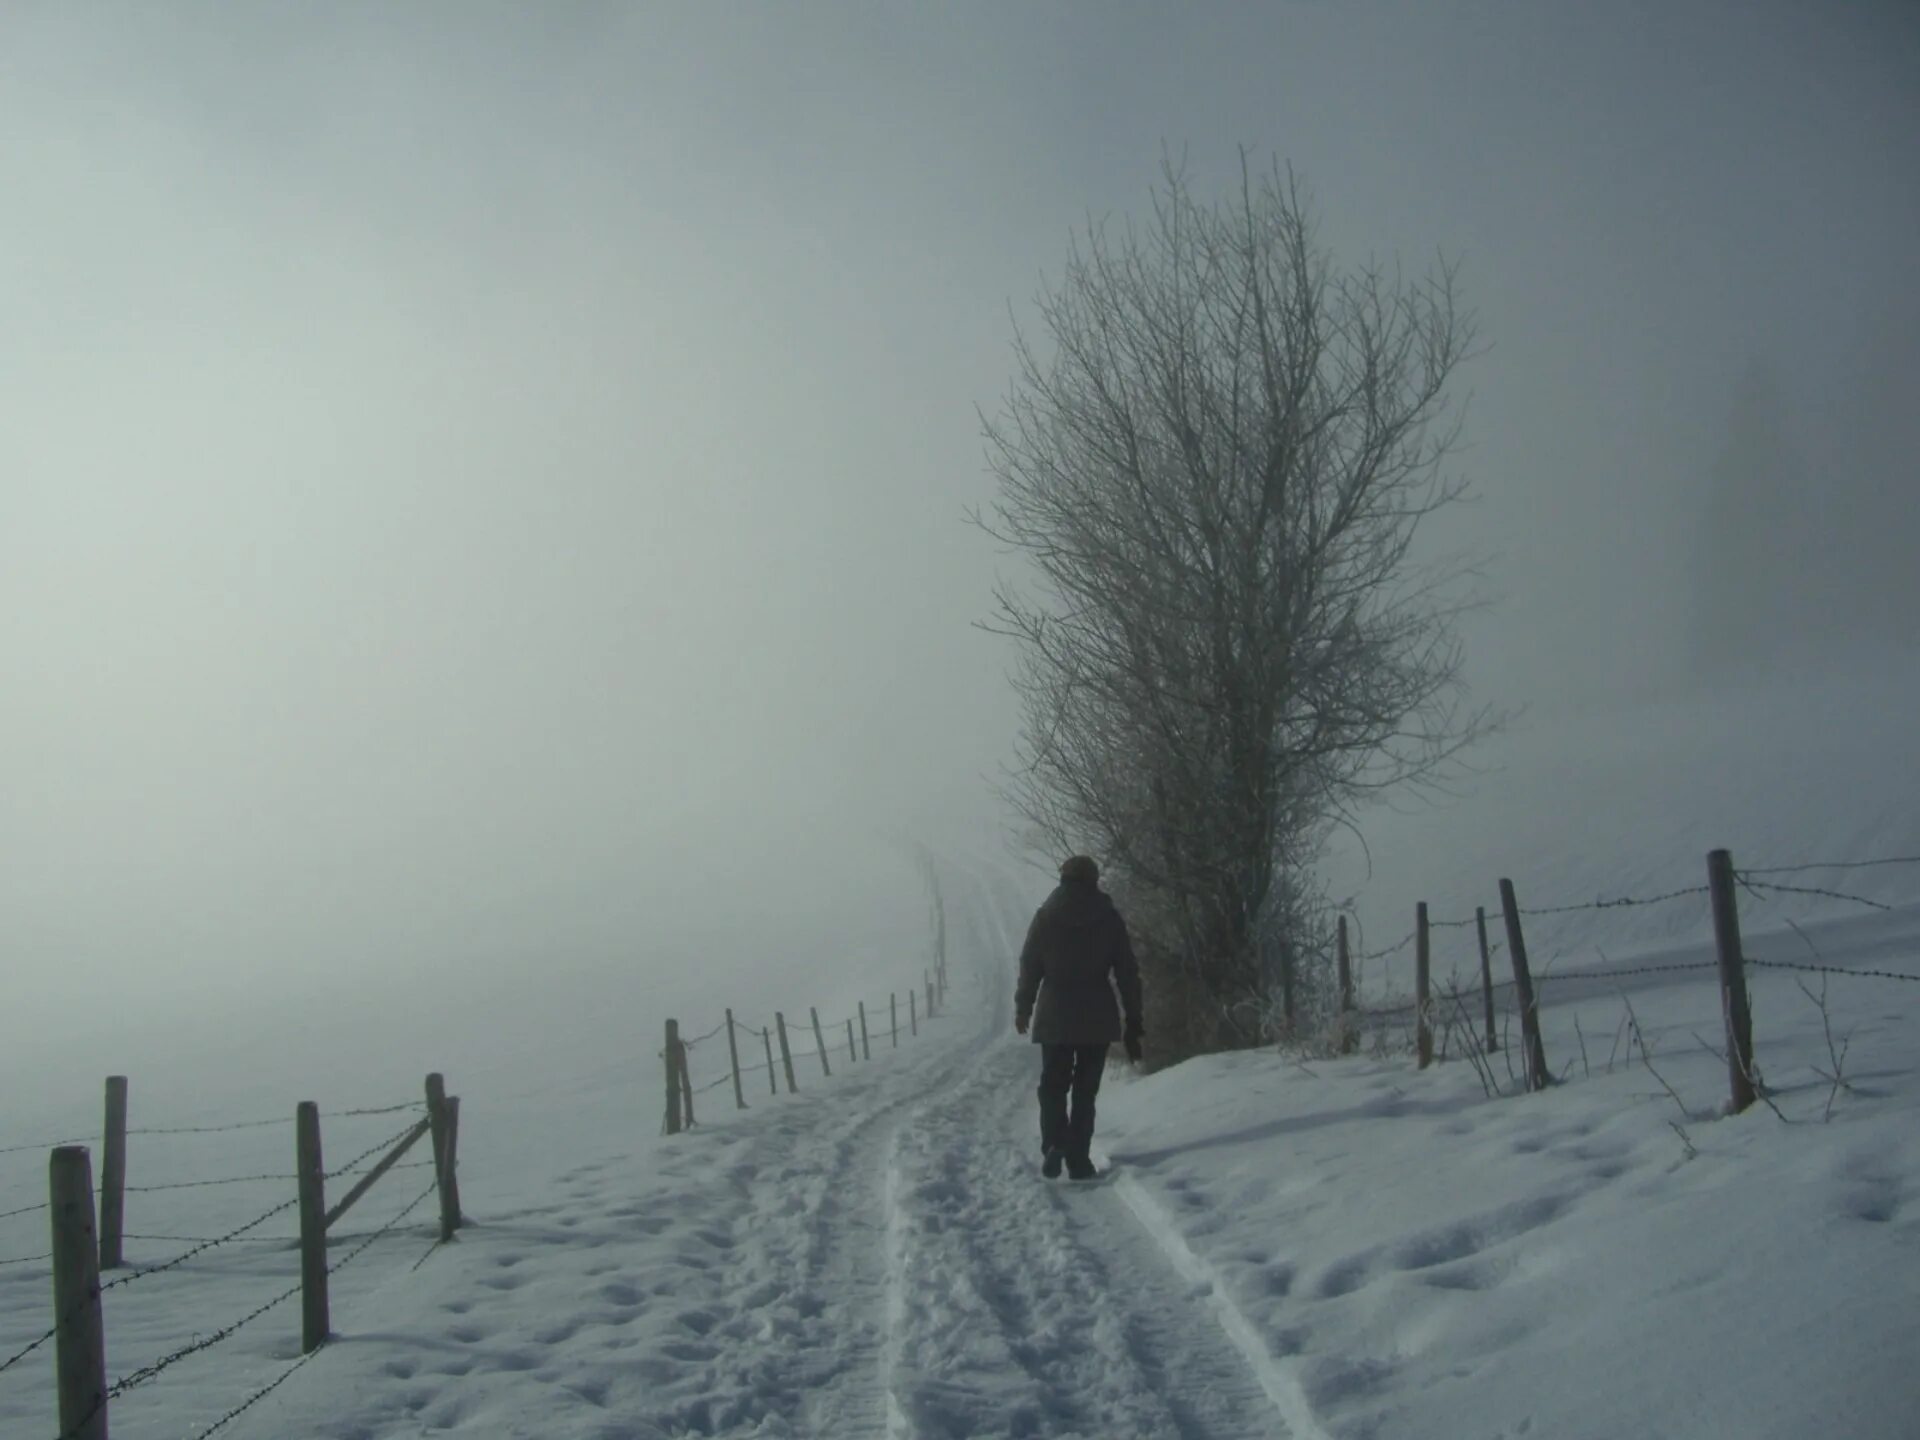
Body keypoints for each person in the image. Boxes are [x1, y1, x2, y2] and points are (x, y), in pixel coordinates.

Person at [1013, 854, 1144, 1180]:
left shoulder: (1045, 917)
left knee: (1053, 1086)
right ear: (1093, 879)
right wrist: (1134, 1018)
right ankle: (1079, 1159)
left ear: (1063, 879)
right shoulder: (1108, 917)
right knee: (1086, 1091)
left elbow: (1030, 965)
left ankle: (1055, 1142)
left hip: (1055, 1013)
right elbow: (1127, 971)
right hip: (1097, 1015)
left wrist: (1023, 1006)